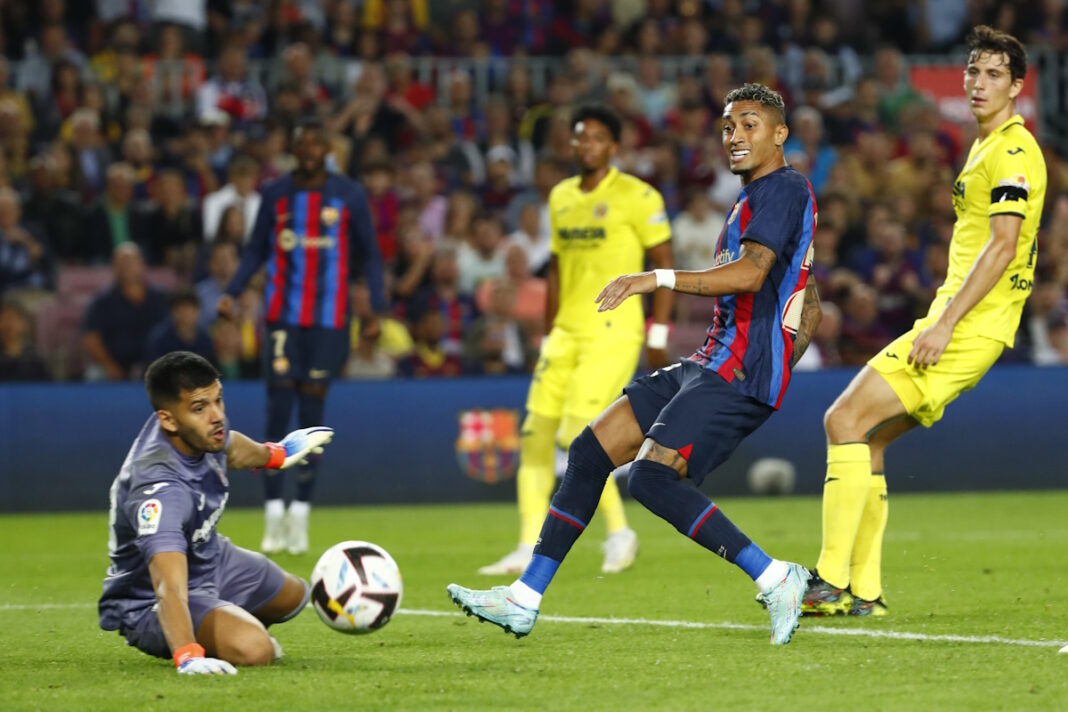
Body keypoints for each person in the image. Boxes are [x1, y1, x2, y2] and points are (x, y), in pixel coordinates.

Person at [449, 83, 820, 645]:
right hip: (712, 360)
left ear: (780, 133)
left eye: (749, 124)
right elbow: (810, 301)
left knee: (650, 477)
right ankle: (523, 599)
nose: (735, 136)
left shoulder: (784, 188)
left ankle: (775, 578)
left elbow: (750, 275)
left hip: (738, 369)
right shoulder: (751, 199)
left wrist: (658, 280)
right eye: (728, 127)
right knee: (588, 450)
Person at [804, 26, 1046, 617]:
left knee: (842, 419)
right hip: (971, 324)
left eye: (994, 74)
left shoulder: (1013, 151)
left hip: (967, 325)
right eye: (973, 71)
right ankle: (865, 594)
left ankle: (828, 580)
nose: (979, 82)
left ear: (1017, 86)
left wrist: (944, 325)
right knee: (869, 438)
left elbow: (1003, 245)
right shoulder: (986, 146)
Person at [478, 103, 675, 578]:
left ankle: (619, 532)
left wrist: (659, 332)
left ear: (614, 146)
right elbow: (557, 269)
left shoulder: (638, 195)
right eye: (580, 136)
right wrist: (549, 333)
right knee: (535, 434)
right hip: (566, 331)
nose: (586, 145)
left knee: (576, 435)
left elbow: (665, 265)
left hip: (614, 330)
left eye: (597, 138)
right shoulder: (561, 196)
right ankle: (526, 546)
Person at [98, 351, 334, 674]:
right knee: (256, 649)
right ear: (168, 420)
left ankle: (221, 620)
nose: (217, 415)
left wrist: (275, 454)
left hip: (210, 559)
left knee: (294, 595)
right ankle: (217, 632)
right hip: (151, 599)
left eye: (218, 400)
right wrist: (188, 655)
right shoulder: (160, 490)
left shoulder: (201, 429)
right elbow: (168, 586)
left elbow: (231, 448)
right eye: (200, 407)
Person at [218, 119, 385, 556]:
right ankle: (273, 510)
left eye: (316, 143)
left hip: (330, 321)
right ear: (293, 149)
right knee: (278, 408)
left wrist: (375, 309)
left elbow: (370, 254)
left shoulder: (349, 194)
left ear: (327, 148)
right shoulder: (275, 194)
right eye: (302, 143)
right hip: (283, 319)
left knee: (312, 414)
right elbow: (255, 250)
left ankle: (301, 513)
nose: (309, 150)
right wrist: (233, 291)